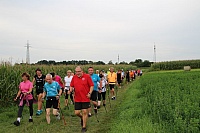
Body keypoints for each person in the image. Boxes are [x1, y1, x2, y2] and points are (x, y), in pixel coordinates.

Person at [68, 66, 94, 132]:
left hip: (85, 97)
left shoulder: (87, 76)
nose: (77, 73)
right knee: (77, 112)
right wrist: (70, 90)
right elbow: (71, 85)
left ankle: (84, 127)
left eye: (79, 71)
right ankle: (82, 117)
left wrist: (90, 93)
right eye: (76, 72)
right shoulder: (74, 77)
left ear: (82, 71)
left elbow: (91, 85)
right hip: (77, 98)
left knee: (85, 111)